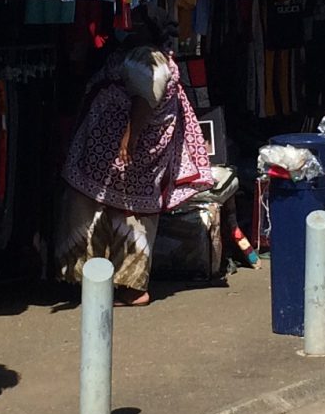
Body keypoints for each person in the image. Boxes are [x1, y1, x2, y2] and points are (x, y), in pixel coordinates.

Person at [57, 36, 213, 305]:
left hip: (126, 154)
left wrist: (129, 137)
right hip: (117, 154)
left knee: (113, 213)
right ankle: (110, 281)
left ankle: (125, 286)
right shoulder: (144, 54)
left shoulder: (146, 56)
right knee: (118, 212)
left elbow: (145, 95)